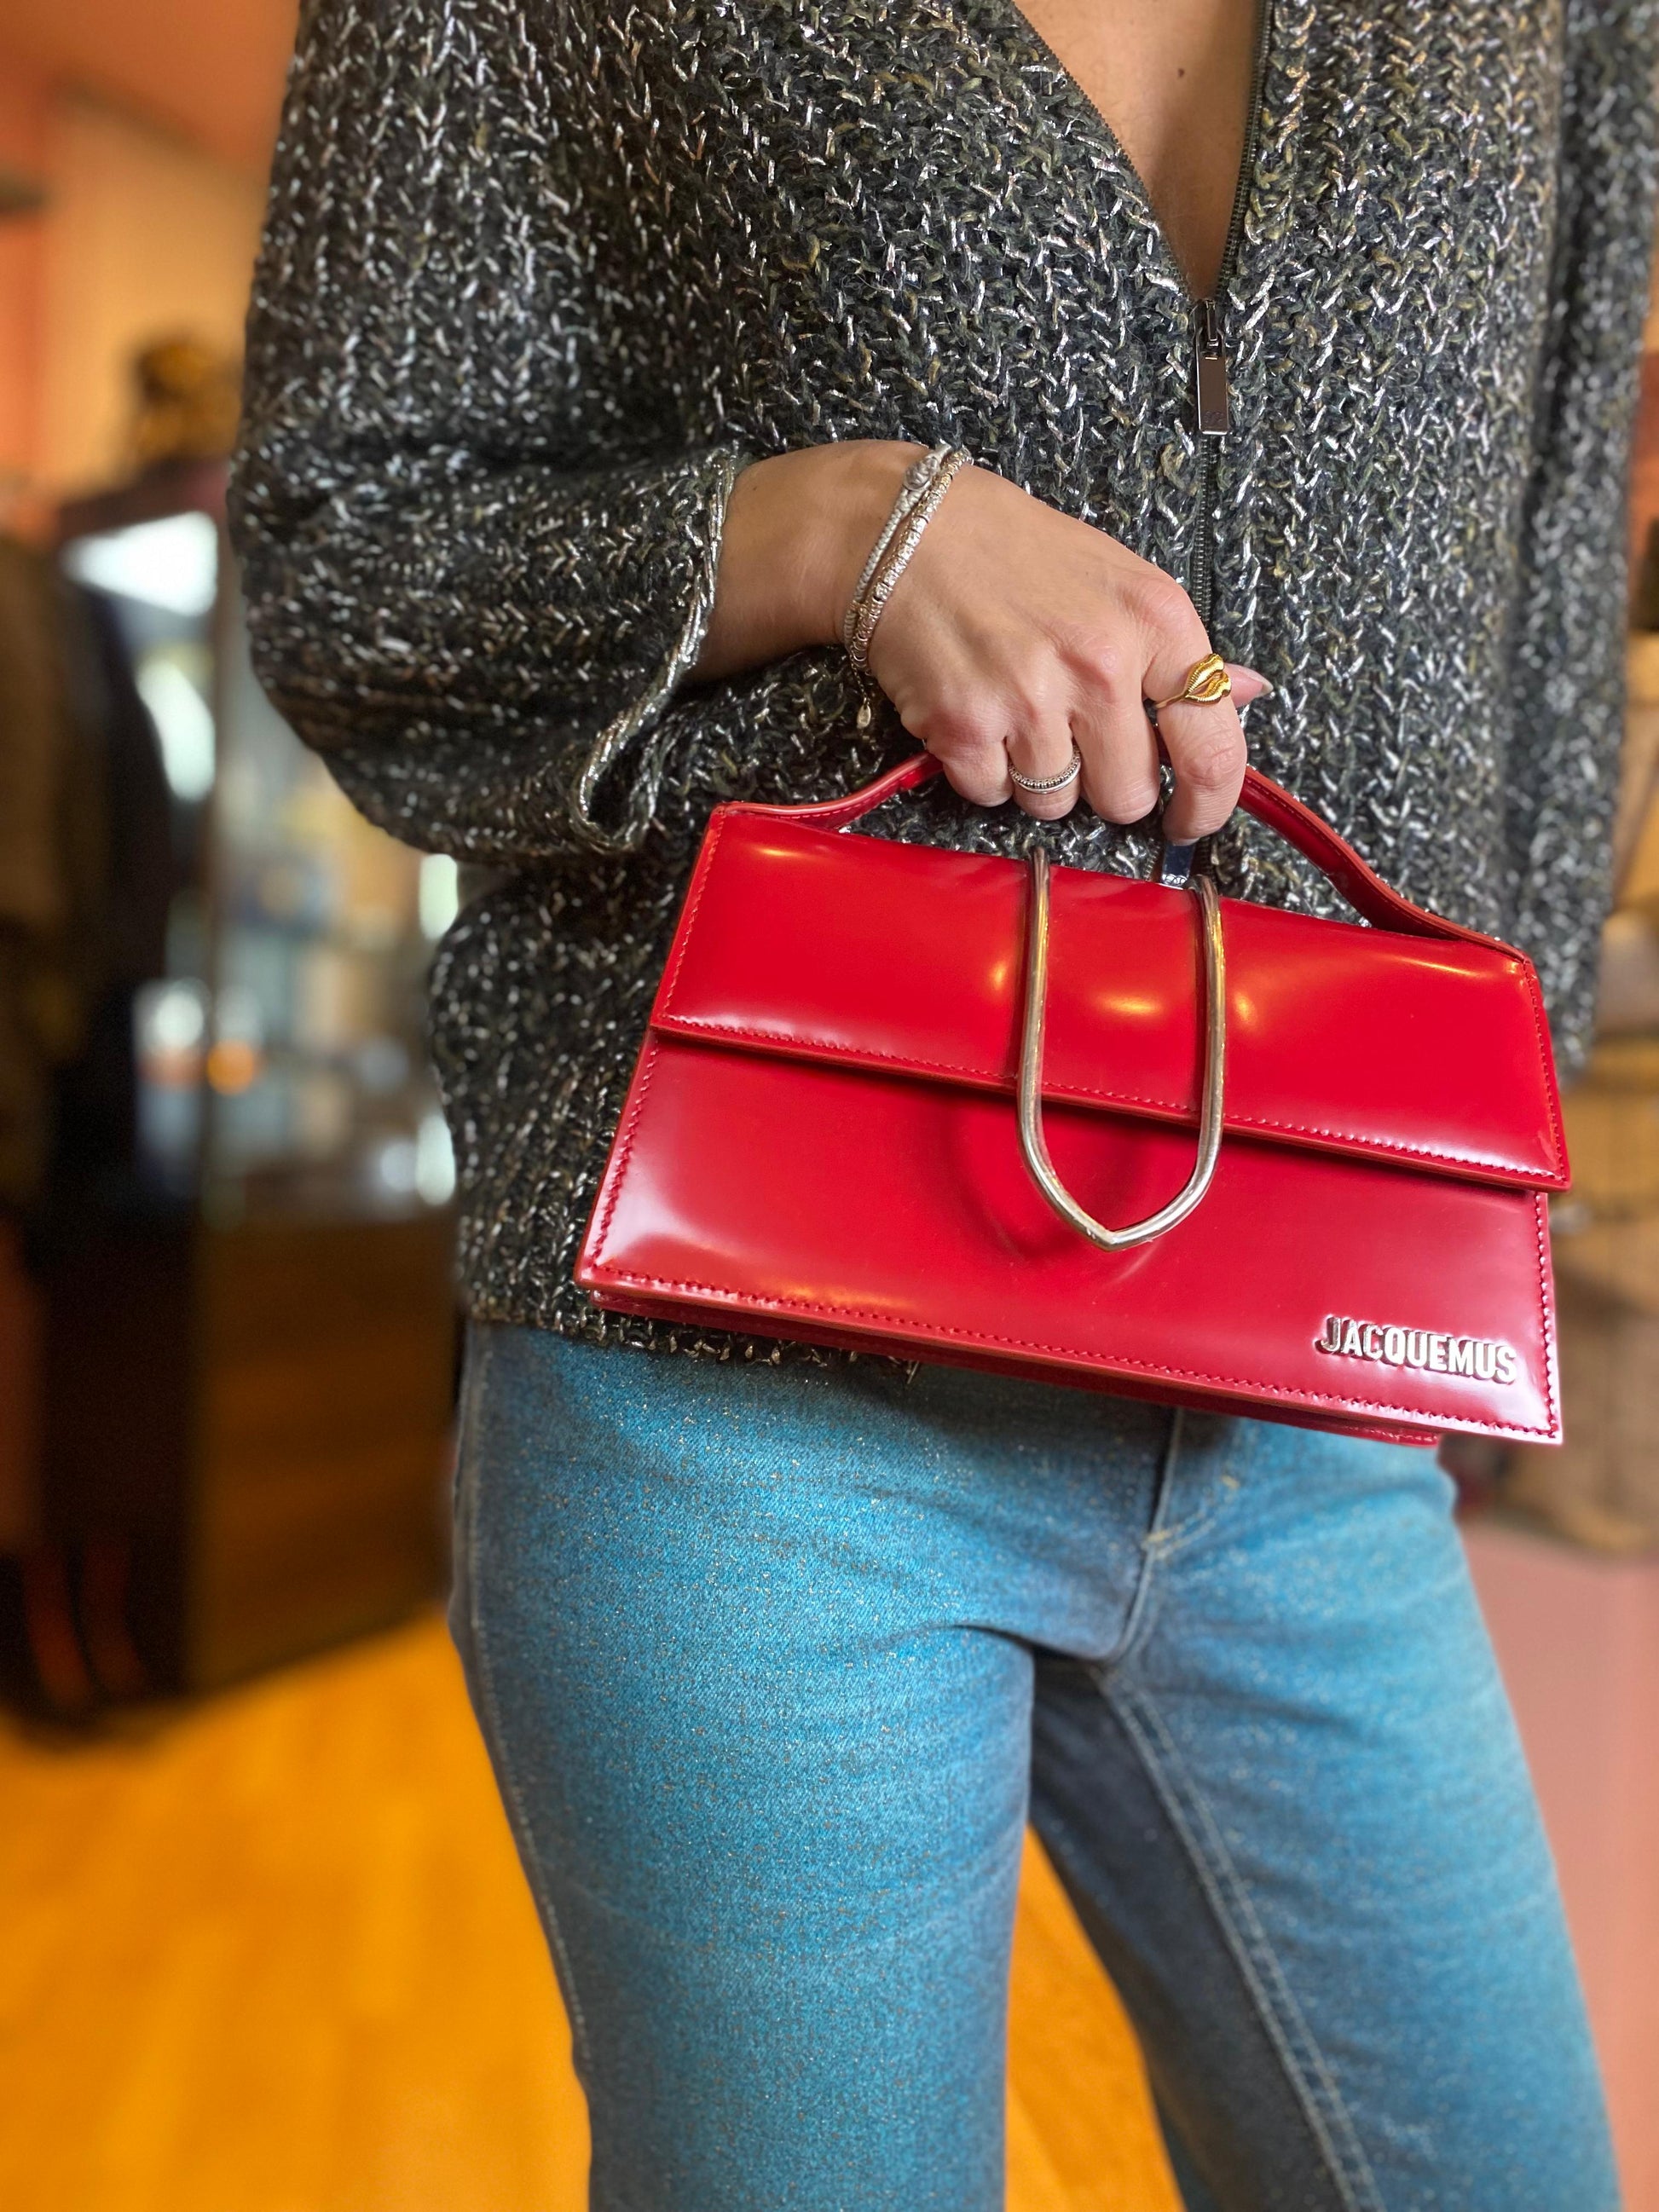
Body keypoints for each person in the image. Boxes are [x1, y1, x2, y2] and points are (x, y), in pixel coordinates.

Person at [232, 2, 1657, 2203]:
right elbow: (351, 560)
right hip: (741, 1380)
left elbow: (1546, 608)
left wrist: (1473, 1189)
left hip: (1309, 1387)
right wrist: (837, 533)